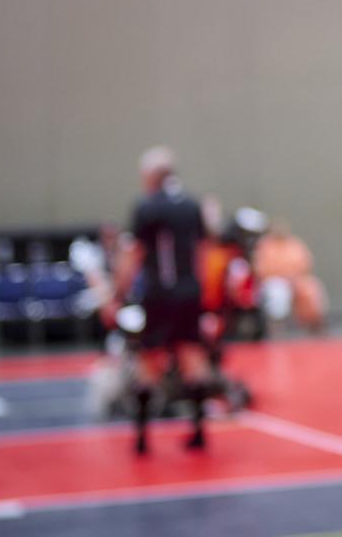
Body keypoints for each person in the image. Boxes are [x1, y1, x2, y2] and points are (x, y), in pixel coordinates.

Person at [115, 146, 211, 455]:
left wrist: (118, 293)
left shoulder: (147, 206)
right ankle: (199, 431)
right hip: (188, 293)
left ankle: (142, 438)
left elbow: (134, 254)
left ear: (153, 176)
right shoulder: (192, 205)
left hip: (158, 294)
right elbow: (203, 251)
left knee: (148, 361)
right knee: (192, 358)